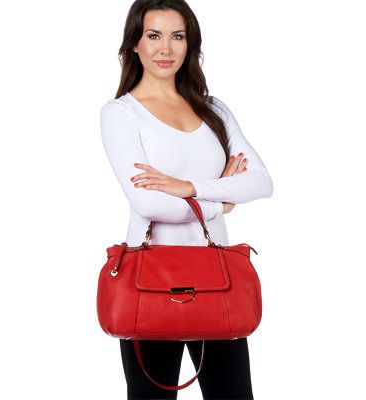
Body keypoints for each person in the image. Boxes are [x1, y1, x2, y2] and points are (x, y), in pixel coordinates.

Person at [99, 1, 274, 398]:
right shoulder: (121, 114)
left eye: (177, 36)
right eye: (154, 35)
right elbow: (149, 205)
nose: (166, 48)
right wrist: (222, 200)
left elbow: (261, 182)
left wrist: (190, 187)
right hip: (150, 281)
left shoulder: (213, 110)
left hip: (217, 279)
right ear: (135, 44)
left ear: (190, 43)